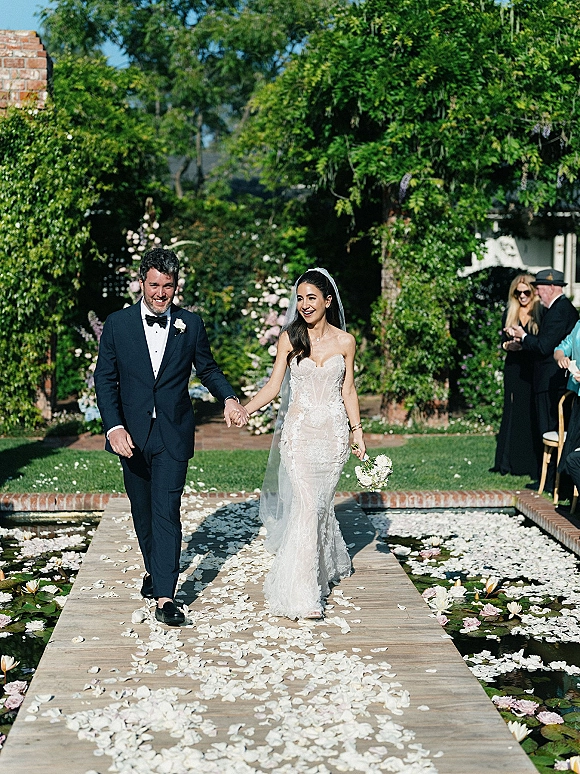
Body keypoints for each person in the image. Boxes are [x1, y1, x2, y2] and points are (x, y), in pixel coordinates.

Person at [95, 248, 248, 626]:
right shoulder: (117, 324)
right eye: (154, 285)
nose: (160, 294)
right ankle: (154, 568)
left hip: (172, 434)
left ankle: (166, 596)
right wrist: (114, 427)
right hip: (130, 435)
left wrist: (229, 398)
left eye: (168, 286)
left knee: (166, 511)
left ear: (176, 286)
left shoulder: (190, 325)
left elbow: (208, 369)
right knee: (142, 511)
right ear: (141, 282)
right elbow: (105, 379)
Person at [243, 268, 366, 620]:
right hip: (298, 436)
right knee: (307, 507)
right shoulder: (289, 339)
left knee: (320, 506)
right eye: (300, 298)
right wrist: (244, 408)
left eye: (312, 297)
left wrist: (357, 432)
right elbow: (271, 388)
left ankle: (321, 568)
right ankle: (301, 593)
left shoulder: (346, 342)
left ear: (328, 301)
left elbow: (348, 390)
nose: (305, 304)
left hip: (332, 438)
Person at [509, 268, 578, 489]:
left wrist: (524, 336)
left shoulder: (559, 311)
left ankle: (552, 482)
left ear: (551, 287)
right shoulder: (556, 309)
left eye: (538, 287)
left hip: (551, 383)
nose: (536, 292)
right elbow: (554, 346)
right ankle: (549, 480)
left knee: (548, 429)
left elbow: (544, 346)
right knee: (546, 430)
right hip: (548, 381)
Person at [491, 274, 542, 478]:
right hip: (513, 367)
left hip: (533, 367)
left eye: (526, 292)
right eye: (518, 292)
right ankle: (507, 462)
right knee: (511, 411)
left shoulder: (540, 312)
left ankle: (529, 463)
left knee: (530, 411)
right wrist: (508, 345)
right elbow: (503, 342)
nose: (522, 296)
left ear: (532, 292)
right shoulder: (509, 312)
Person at [554, 322, 580, 495]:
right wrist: (562, 357)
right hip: (578, 396)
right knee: (573, 446)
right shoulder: (579, 325)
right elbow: (561, 347)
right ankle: (569, 494)